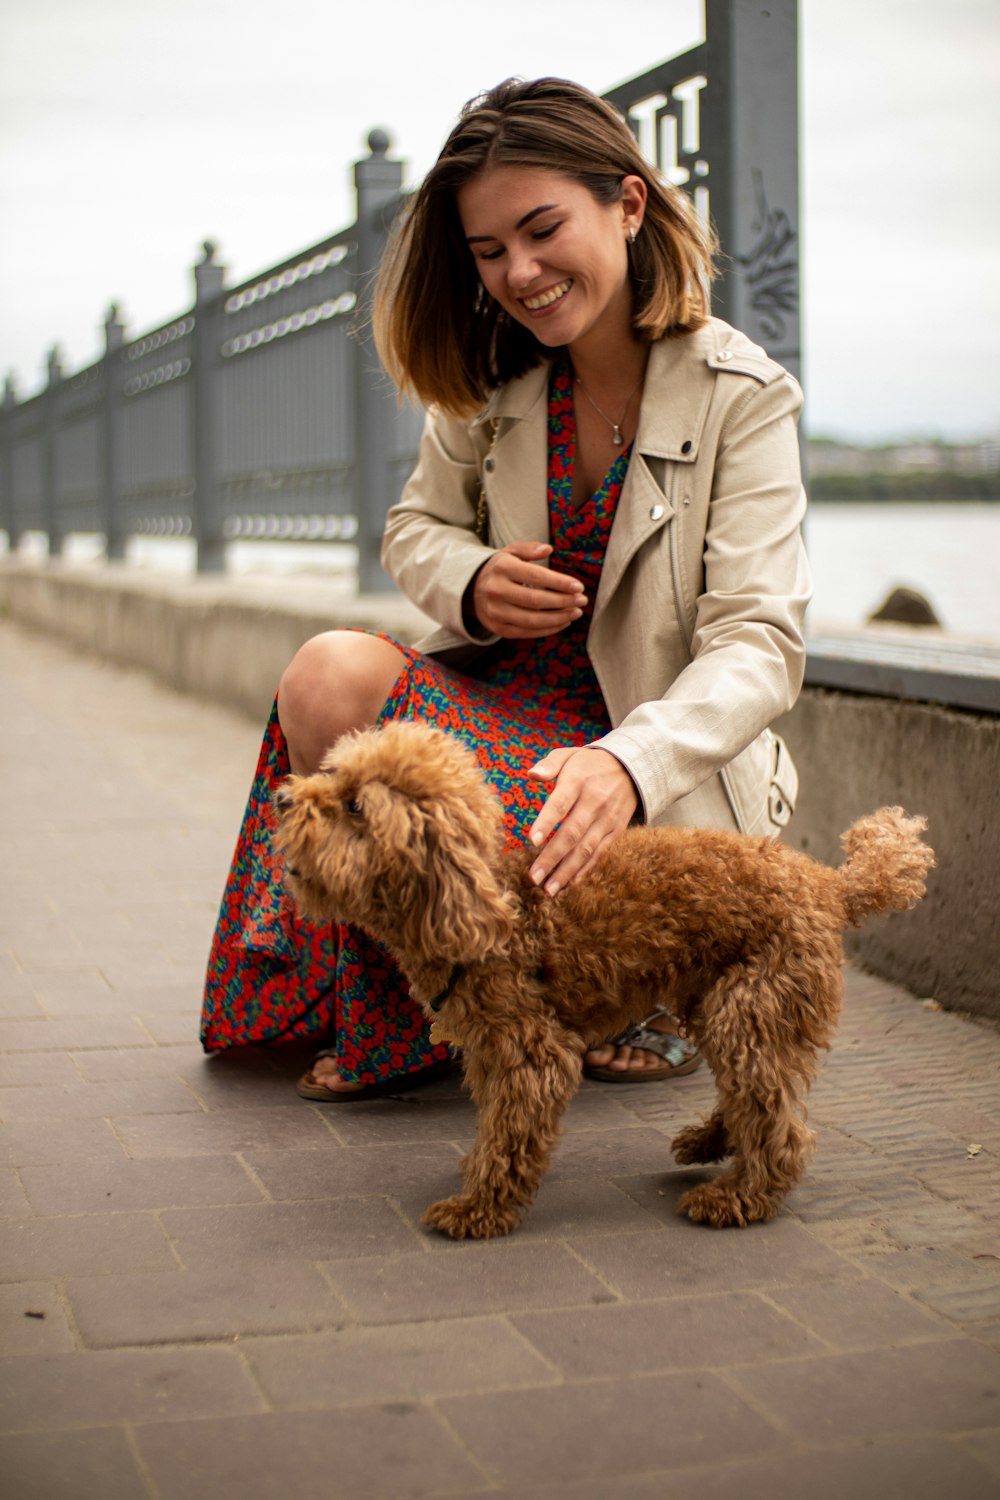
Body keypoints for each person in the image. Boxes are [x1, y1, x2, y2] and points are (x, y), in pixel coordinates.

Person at [200, 76, 811, 1098]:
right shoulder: (495, 380)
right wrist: (473, 581)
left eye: (541, 231)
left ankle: (645, 985)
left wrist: (630, 762)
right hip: (501, 714)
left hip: (645, 749)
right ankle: (418, 1006)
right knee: (324, 677)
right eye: (489, 252)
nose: (519, 273)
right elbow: (412, 529)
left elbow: (759, 643)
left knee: (580, 793)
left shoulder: (742, 397)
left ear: (626, 204)